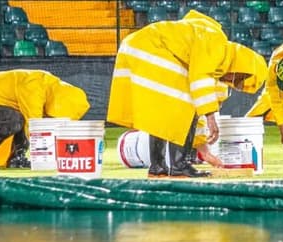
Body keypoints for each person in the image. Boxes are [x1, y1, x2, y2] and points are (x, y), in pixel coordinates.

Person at [106, 10, 267, 178]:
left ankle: (157, 168)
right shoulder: (216, 43)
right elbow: (198, 89)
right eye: (238, 79)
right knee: (185, 104)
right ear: (243, 66)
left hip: (135, 45)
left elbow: (198, 110)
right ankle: (179, 166)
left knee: (162, 114)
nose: (232, 82)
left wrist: (204, 151)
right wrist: (211, 118)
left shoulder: (214, 62)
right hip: (151, 47)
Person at [0, 69, 91, 169]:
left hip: (0, 105)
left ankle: (16, 158)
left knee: (20, 119)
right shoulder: (34, 87)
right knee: (15, 120)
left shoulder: (48, 87)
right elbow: (35, 125)